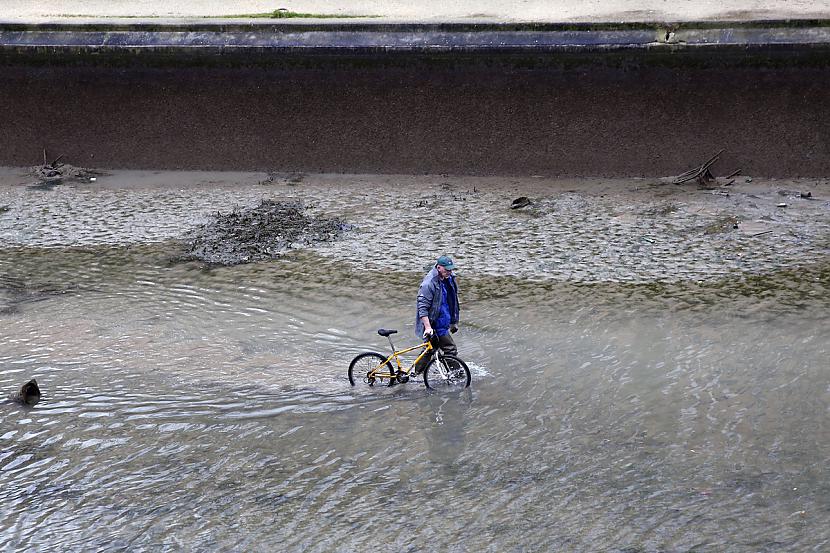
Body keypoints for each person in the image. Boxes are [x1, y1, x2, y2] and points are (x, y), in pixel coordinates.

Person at [414, 255, 460, 374]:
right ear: (439, 267)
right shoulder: (428, 284)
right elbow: (422, 308)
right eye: (447, 269)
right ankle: (458, 375)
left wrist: (453, 322)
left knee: (430, 349)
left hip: (444, 320)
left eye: (451, 269)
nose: (449, 272)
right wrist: (428, 327)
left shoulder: (449, 278)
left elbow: (452, 300)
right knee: (450, 349)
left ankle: (414, 373)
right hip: (435, 324)